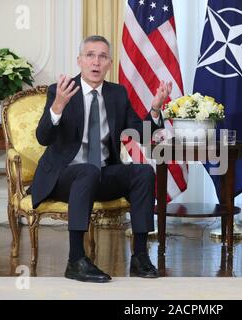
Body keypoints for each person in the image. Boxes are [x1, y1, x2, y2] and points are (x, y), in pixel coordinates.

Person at [30, 35, 171, 282]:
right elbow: (43, 137)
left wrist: (156, 109)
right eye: (90, 55)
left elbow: (142, 134)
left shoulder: (117, 93)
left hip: (103, 174)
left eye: (102, 56)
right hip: (65, 176)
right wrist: (58, 107)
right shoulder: (61, 91)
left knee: (143, 171)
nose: (96, 62)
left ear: (109, 63)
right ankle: (75, 260)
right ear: (80, 61)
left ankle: (139, 256)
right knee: (87, 170)